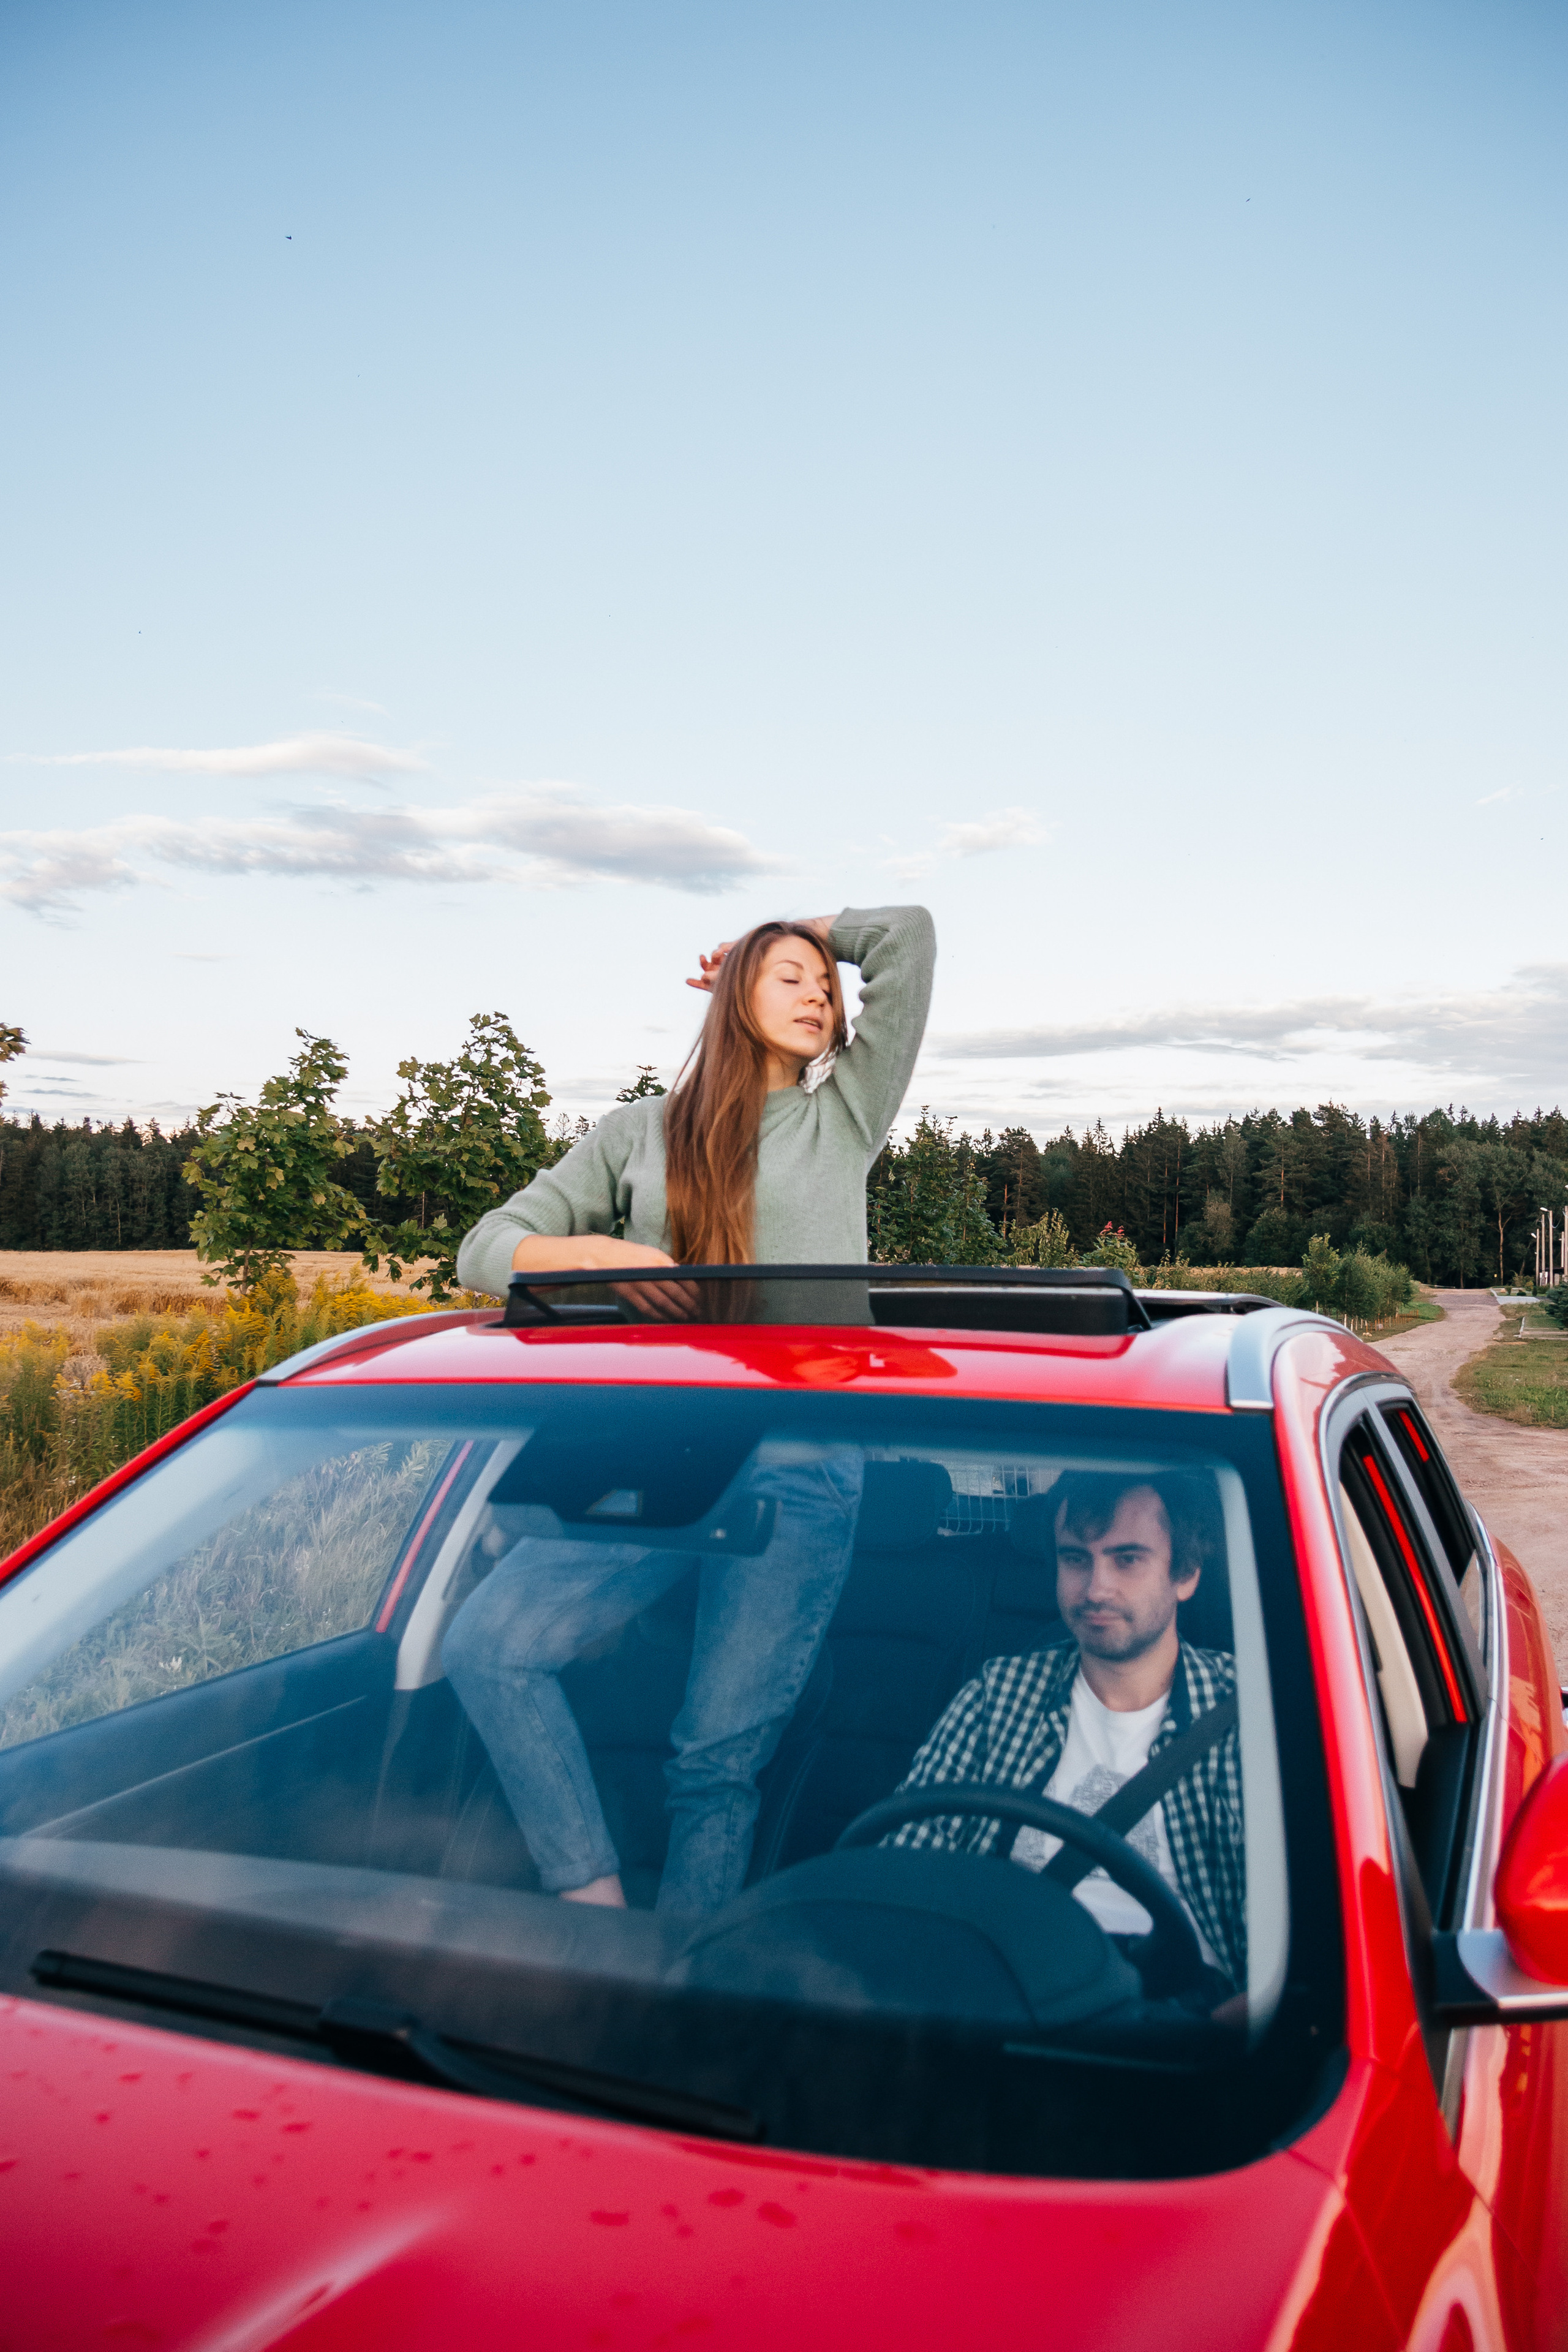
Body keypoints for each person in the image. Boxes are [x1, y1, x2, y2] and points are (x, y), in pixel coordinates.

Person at [445, 905, 936, 1916]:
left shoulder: (844, 1113)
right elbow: (487, 1249)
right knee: (486, 1648)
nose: (820, 994)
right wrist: (607, 1256)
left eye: (826, 984)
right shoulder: (636, 1135)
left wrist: (794, 929)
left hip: (805, 1468)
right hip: (656, 1457)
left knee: (713, 1763)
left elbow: (911, 936)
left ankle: (677, 1981)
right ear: (732, 999)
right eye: (791, 977)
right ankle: (591, 1906)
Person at [886, 1469, 1245, 1991]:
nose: (1096, 1588)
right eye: (1076, 1558)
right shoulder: (1000, 1693)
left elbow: (1303, 1912)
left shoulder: (1246, 1707)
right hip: (1005, 1998)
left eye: (1127, 1559)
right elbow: (904, 1861)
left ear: (1185, 1574)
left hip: (1183, 2018)